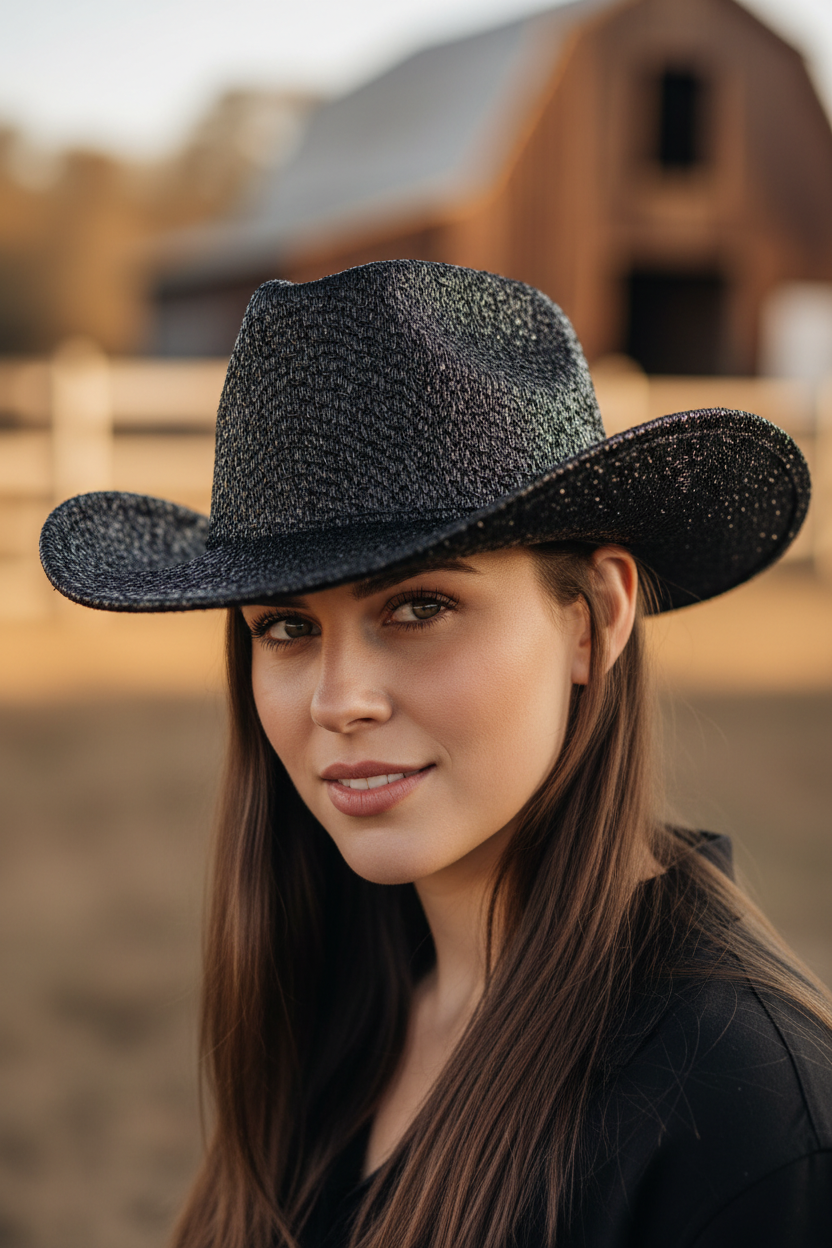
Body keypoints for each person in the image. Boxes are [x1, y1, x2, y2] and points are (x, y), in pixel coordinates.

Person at [40, 260, 832, 1248]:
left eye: (419, 608)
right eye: (285, 627)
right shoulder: (338, 990)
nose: (340, 701)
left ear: (596, 618)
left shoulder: (745, 1119)